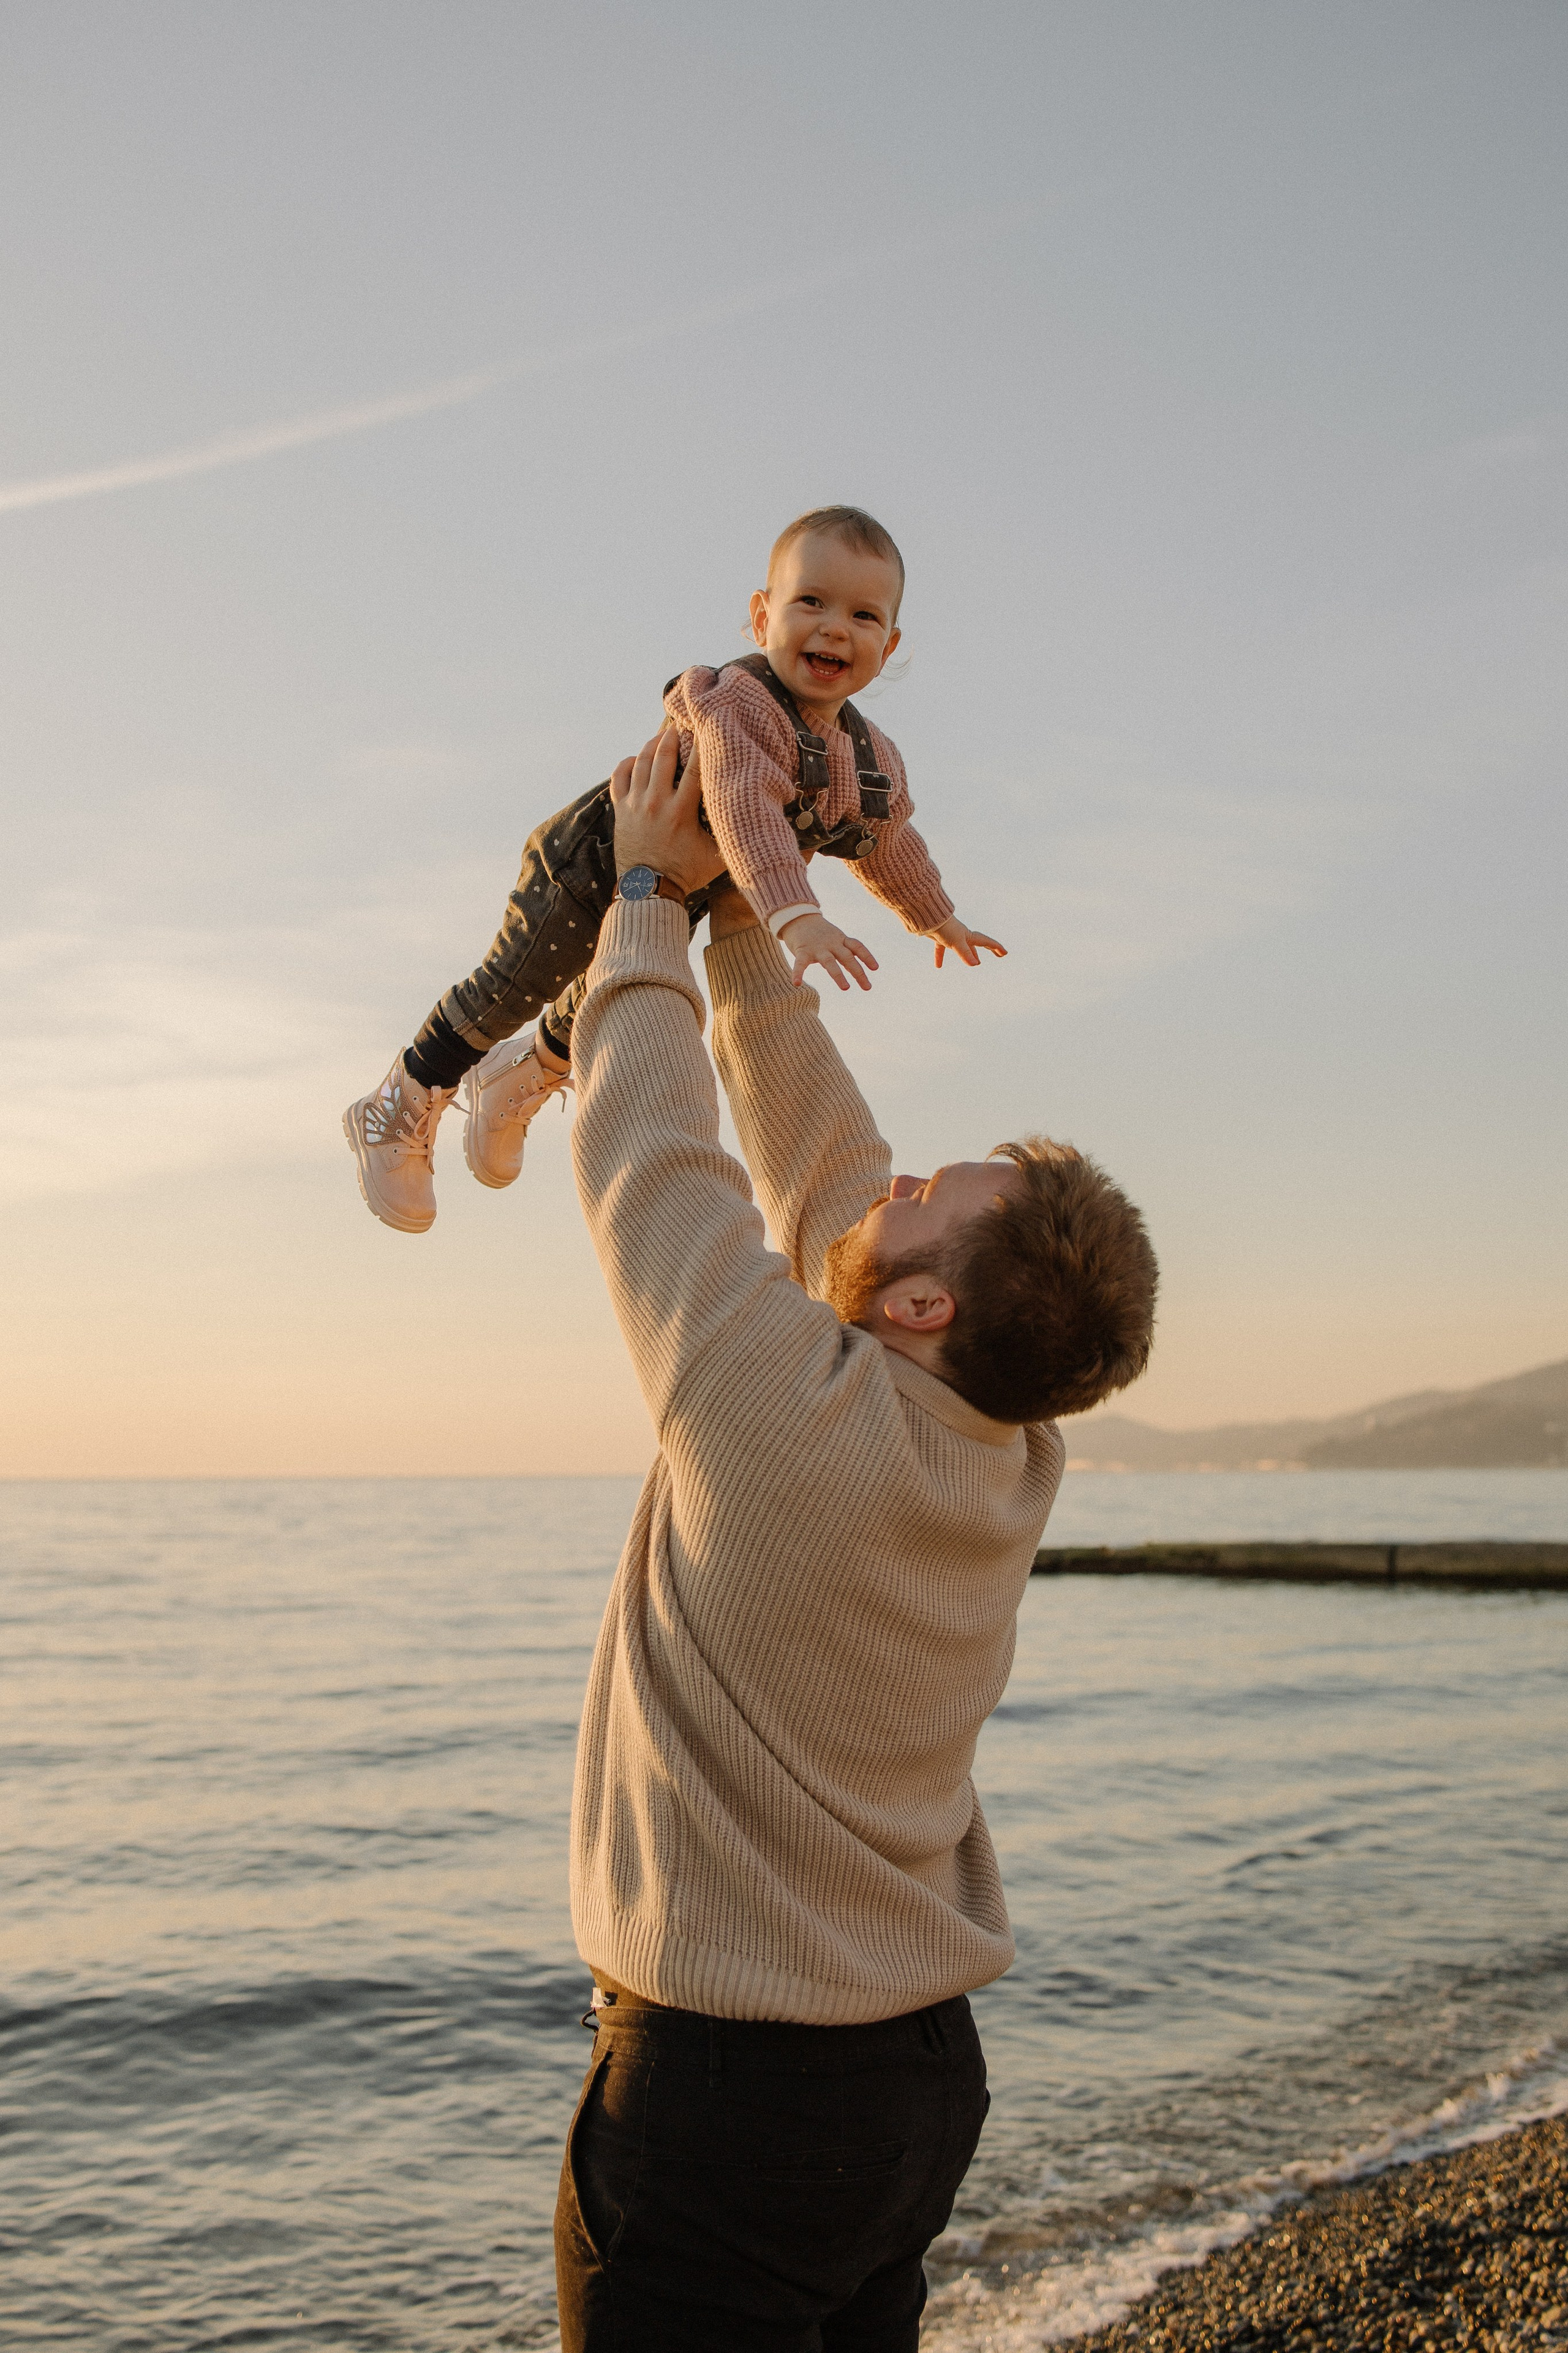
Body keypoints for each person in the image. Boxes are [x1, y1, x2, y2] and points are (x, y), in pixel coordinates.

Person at [553, 728, 1158, 2349]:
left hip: (731, 2099)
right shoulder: (1004, 1447)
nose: (891, 1171)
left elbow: (651, 1161)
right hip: (907, 2088)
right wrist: (746, 890)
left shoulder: (779, 1414)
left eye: (924, 1194)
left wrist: (633, 904)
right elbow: (823, 1163)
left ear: (924, 1304)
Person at [342, 505, 1005, 1233]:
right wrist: (798, 915)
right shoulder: (736, 703)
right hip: (592, 860)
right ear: (761, 618)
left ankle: (520, 1074)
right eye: (809, 602)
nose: (835, 626)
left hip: (679, 886)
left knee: (608, 990)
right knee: (516, 983)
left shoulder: (869, 758)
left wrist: (934, 916)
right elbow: (744, 803)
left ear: (890, 643)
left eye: (863, 614)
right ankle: (398, 1100)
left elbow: (887, 840)